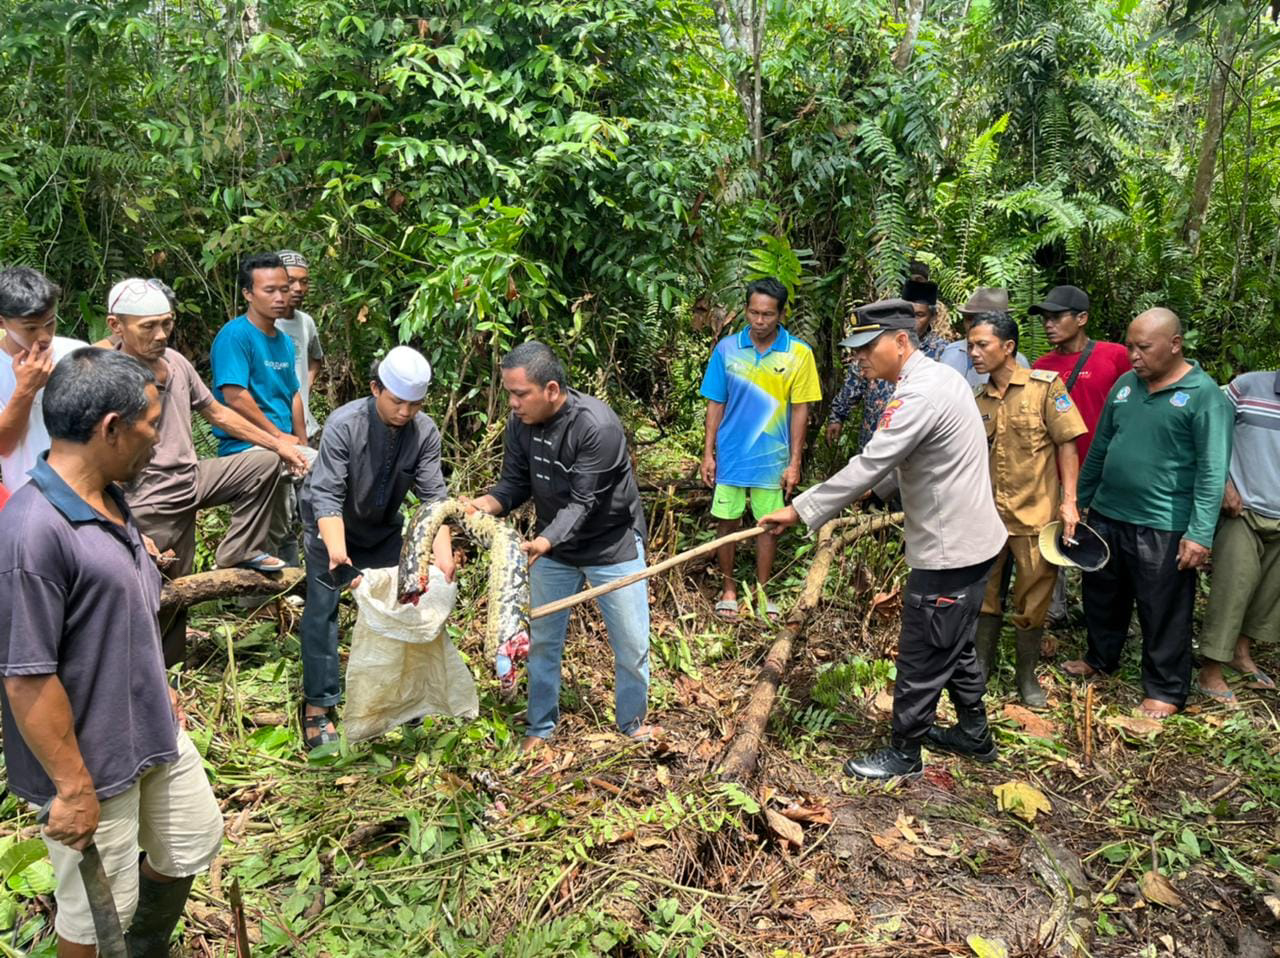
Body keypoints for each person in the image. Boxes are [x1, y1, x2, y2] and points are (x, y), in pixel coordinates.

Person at [0, 348, 222, 956]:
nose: (159, 436)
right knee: (96, 915)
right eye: (151, 422)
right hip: (92, 760)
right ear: (111, 429)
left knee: (191, 840)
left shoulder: (112, 502)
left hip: (151, 730)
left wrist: (159, 683)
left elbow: (121, 617)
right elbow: (26, 677)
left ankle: (146, 948)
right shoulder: (33, 531)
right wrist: (72, 789)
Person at [761, 300, 1007, 780]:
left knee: (922, 649)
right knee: (953, 643)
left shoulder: (919, 394)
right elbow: (916, 457)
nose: (860, 360)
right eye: (854, 351)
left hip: (950, 549)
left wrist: (800, 510)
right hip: (971, 542)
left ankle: (904, 752)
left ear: (900, 342)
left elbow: (872, 461)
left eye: (867, 348)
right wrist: (877, 493)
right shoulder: (938, 379)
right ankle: (974, 734)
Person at [102, 278, 310, 665]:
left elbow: (217, 412)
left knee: (264, 462)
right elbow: (97, 454)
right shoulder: (108, 375)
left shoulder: (177, 363)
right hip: (148, 495)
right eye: (148, 326)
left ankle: (240, 549)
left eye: (166, 323)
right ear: (117, 326)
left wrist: (280, 444)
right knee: (164, 590)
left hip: (192, 477)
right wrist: (122, 520)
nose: (161, 334)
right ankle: (159, 674)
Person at [466, 342, 656, 752]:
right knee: (543, 643)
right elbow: (513, 485)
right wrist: (479, 507)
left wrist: (544, 540)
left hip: (612, 545)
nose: (513, 404)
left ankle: (633, 724)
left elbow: (584, 502)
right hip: (552, 549)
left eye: (520, 394)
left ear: (551, 389)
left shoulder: (597, 426)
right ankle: (539, 727)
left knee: (631, 643)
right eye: (509, 394)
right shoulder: (520, 424)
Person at [1064, 309, 1233, 719]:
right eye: (1130, 346)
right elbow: (1101, 446)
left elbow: (1213, 470)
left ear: (1174, 345)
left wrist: (1200, 534)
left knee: (1163, 609)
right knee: (1103, 594)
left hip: (1163, 523)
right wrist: (1078, 501)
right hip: (1107, 513)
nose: (1134, 356)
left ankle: (1165, 689)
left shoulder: (1203, 395)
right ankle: (1100, 658)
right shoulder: (1125, 386)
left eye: (1144, 347)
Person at [298, 347, 454, 749]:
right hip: (330, 527)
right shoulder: (344, 424)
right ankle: (318, 705)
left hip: (383, 529)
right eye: (397, 401)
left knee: (404, 604)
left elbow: (434, 498)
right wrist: (336, 552)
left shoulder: (424, 432)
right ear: (375, 389)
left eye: (415, 404)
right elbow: (327, 494)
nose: (405, 412)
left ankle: (400, 698)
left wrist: (443, 554)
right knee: (322, 611)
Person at [968, 312, 1087, 707]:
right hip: (987, 518)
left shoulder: (1045, 388)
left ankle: (1025, 677)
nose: (974, 352)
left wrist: (1069, 502)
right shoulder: (978, 399)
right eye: (970, 345)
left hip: (1035, 516)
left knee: (1033, 599)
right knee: (986, 595)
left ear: (1008, 347)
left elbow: (1067, 442)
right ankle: (980, 670)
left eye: (982, 344)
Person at [700, 277, 821, 621]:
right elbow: (715, 404)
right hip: (732, 455)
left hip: (772, 457)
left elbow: (801, 410)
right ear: (746, 310)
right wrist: (708, 453)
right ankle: (728, 590)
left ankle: (762, 591)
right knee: (726, 522)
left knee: (768, 524)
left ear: (781, 314)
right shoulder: (727, 349)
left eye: (768, 314)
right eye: (753, 312)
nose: (759, 320)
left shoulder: (799, 354)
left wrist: (795, 461)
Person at [1029, 284, 1132, 627]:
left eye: (1057, 317)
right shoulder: (1041, 366)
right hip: (1056, 472)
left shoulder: (1114, 356)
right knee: (1056, 537)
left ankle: (1108, 618)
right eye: (1045, 318)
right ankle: (1054, 612)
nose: (1048, 324)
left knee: (1107, 543)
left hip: (1106, 471)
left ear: (1082, 318)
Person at [211, 252, 317, 566]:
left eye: (284, 289)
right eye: (269, 290)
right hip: (247, 446)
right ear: (248, 293)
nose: (281, 297)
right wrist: (279, 438)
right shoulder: (235, 336)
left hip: (282, 444)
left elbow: (294, 394)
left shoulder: (284, 342)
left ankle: (288, 592)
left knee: (281, 525)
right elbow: (235, 396)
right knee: (330, 476)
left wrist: (301, 442)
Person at [1196, 368, 1280, 703]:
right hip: (1242, 509)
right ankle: (1210, 669)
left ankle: (1240, 652)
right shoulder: (1247, 387)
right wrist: (1223, 484)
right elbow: (1210, 432)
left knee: (1269, 594)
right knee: (1233, 586)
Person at [825, 280, 948, 450]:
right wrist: (837, 416)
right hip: (873, 440)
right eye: (908, 314)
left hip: (913, 447)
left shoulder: (942, 352)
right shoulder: (875, 346)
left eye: (919, 315)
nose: (912, 322)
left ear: (933, 317)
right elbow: (854, 382)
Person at [0, 266, 87, 494]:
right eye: (30, 328)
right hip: (29, 496)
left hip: (87, 490)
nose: (44, 336)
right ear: (2, 323)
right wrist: (26, 389)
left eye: (50, 323)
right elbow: (3, 445)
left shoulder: (77, 354)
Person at [275, 250, 324, 442]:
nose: (298, 288)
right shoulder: (264, 325)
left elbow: (316, 358)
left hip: (305, 427)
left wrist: (306, 385)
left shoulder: (306, 322)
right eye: (291, 280)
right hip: (275, 431)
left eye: (304, 281)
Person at [938, 287, 1029, 387]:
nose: (972, 325)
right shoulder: (951, 353)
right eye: (968, 319)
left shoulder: (1018, 361)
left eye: (981, 320)